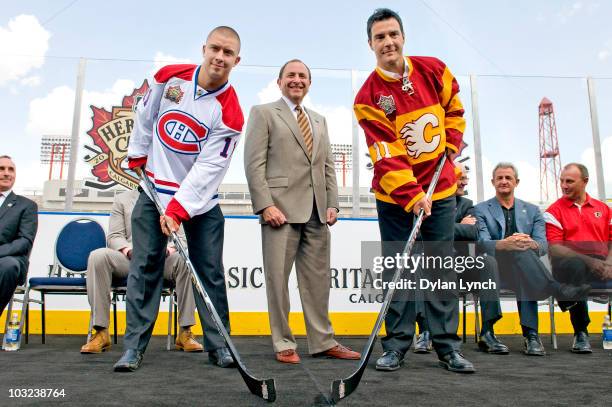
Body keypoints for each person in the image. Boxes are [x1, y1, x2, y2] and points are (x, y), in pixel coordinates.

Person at [114, 26, 243, 372]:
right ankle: (133, 348)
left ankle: (220, 345)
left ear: (236, 60)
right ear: (204, 48)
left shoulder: (230, 113)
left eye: (228, 53)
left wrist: (178, 209)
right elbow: (145, 116)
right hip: (152, 189)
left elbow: (207, 170)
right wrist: (138, 153)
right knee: (144, 266)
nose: (220, 57)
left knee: (209, 272)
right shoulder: (168, 77)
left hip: (200, 203)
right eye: (215, 48)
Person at [354, 8, 474, 373]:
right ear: (370, 44)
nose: (388, 42)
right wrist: (411, 194)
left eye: (393, 34)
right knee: (397, 269)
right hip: (395, 198)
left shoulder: (434, 69)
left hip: (440, 191)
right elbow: (385, 153)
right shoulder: (368, 96)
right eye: (380, 37)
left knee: (440, 268)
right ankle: (397, 345)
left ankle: (446, 347)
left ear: (403, 37)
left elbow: (454, 108)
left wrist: (451, 145)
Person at [244, 59, 360, 364]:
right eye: (291, 75)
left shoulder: (319, 120)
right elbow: (253, 164)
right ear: (279, 80)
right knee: (277, 281)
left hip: (317, 213)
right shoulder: (263, 113)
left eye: (303, 76)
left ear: (309, 83)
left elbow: (327, 166)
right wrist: (266, 204)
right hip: (279, 212)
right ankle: (283, 341)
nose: (297, 80)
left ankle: (323, 341)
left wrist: (333, 203)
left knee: (318, 283)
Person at [474, 162, 591, 356]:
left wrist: (529, 244)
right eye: (500, 178)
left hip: (523, 267)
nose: (504, 181)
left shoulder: (533, 210)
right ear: (492, 182)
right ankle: (550, 305)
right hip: (493, 267)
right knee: (519, 258)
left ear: (516, 182)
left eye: (508, 178)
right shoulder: (480, 210)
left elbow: (543, 245)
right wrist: (507, 243)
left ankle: (531, 337)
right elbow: (483, 243)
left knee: (524, 259)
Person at [80, 189, 202, 354]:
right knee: (98, 256)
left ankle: (185, 332)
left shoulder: (174, 198)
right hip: (131, 257)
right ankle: (101, 332)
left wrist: (166, 250)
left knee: (185, 260)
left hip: (163, 258)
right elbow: (115, 236)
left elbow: (182, 237)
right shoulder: (122, 199)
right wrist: (129, 250)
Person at [414, 163, 508, 354]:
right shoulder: (426, 201)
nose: (464, 182)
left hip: (462, 267)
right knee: (419, 264)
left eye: (465, 178)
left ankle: (488, 332)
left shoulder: (467, 205)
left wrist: (440, 228)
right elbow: (421, 233)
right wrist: (457, 226)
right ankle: (425, 332)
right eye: (460, 177)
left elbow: (472, 232)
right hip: (433, 266)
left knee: (488, 262)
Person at [544, 163, 612, 353]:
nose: (564, 185)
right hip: (568, 264)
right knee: (576, 266)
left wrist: (608, 263)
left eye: (569, 181)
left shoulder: (603, 209)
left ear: (585, 182)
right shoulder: (553, 211)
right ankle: (581, 332)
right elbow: (556, 248)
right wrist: (590, 261)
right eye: (562, 181)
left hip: (602, 264)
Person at [0, 155, 38, 318]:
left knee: (7, 266)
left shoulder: (26, 205)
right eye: (2, 169)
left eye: (11, 169)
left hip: (10, 259)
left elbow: (24, 242)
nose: (7, 173)